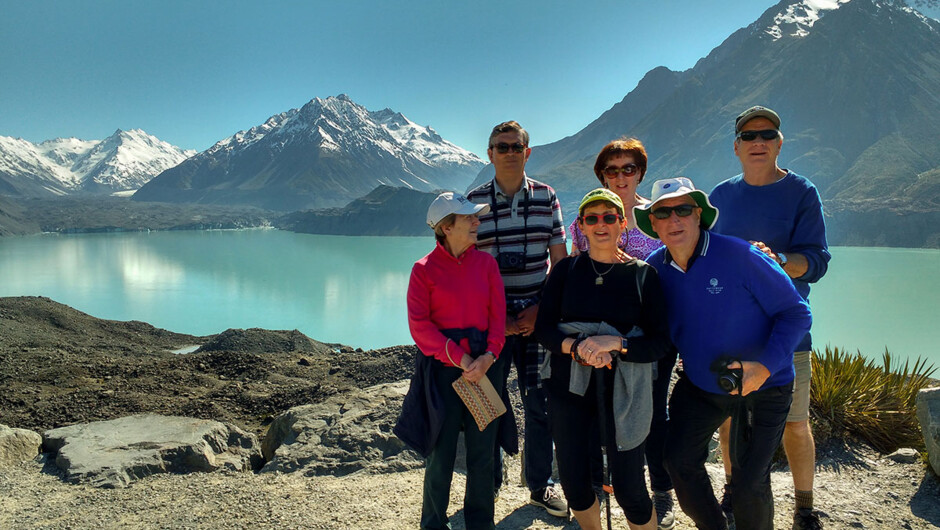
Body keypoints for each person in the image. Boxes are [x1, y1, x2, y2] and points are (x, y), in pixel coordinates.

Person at [634, 177, 812, 530]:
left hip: (766, 385)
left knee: (749, 483)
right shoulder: (655, 268)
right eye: (664, 212)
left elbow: (796, 312)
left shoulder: (742, 256)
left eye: (683, 209)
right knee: (678, 462)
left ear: (699, 215)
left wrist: (762, 367)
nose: (674, 220)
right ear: (652, 224)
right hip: (702, 385)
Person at [710, 106, 831, 530]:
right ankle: (730, 490)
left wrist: (778, 260)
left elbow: (817, 260)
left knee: (795, 423)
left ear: (780, 143)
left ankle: (805, 506)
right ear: (737, 148)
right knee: (728, 420)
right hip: (732, 333)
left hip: (786, 334)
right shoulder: (721, 197)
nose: (757, 141)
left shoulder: (801, 192)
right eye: (748, 136)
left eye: (767, 134)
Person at [535, 188, 672, 530]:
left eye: (609, 217)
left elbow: (659, 344)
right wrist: (578, 347)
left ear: (622, 224)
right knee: (575, 482)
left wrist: (617, 343)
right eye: (591, 218)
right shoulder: (565, 272)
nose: (601, 224)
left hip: (625, 394)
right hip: (568, 388)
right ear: (580, 225)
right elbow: (544, 330)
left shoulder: (643, 276)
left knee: (630, 489)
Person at [566, 138, 675, 529]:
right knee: (602, 412)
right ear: (602, 175)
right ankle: (603, 486)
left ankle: (660, 490)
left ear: (641, 172)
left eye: (628, 168)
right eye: (612, 170)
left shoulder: (656, 216)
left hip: (648, 337)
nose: (620, 176)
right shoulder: (588, 218)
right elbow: (579, 272)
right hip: (599, 338)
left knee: (652, 412)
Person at [467, 121, 569, 517]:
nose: (509, 152)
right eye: (501, 146)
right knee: (488, 402)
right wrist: (499, 319)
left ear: (528, 153)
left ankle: (540, 485)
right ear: (489, 154)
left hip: (536, 316)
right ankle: (488, 483)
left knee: (539, 400)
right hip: (490, 320)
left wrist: (540, 309)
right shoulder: (473, 202)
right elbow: (466, 267)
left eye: (515, 146)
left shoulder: (547, 197)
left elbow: (559, 263)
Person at [402, 192, 507, 529]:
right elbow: (421, 328)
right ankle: (432, 524)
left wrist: (489, 357)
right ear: (446, 228)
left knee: (482, 455)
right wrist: (465, 360)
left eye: (476, 217)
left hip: (482, 370)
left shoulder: (487, 265)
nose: (477, 222)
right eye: (469, 218)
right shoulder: (423, 270)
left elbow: (498, 320)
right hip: (445, 375)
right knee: (440, 456)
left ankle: (480, 524)